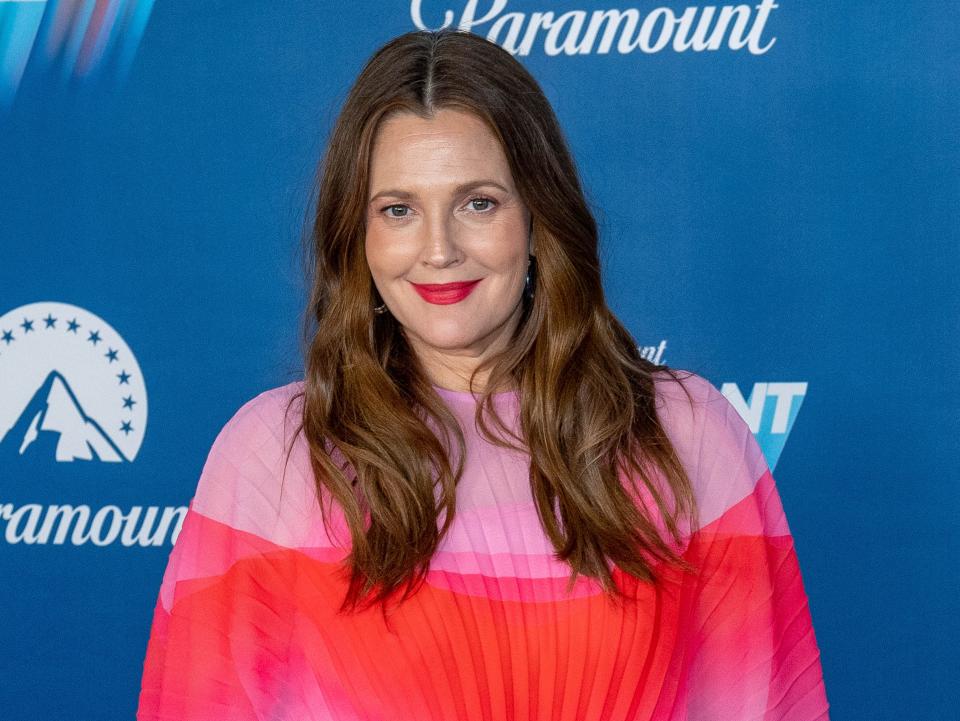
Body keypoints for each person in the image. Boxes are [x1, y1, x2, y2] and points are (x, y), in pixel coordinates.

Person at [136, 28, 830, 721]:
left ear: (537, 219)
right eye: (399, 210)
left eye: (478, 203)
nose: (438, 249)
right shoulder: (277, 456)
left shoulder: (686, 434)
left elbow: (767, 703)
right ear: (360, 234)